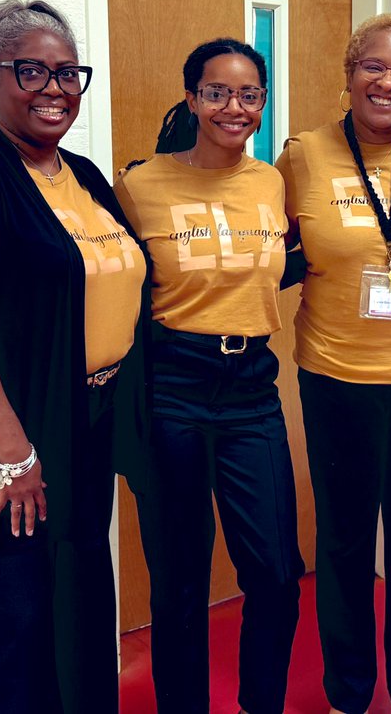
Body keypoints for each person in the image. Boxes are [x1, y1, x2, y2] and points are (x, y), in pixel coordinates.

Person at [0, 0, 150, 714]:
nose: (54, 88)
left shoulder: (85, 176)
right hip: (5, 436)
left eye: (68, 73)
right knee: (23, 617)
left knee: (78, 601)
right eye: (31, 71)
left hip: (83, 420)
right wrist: (14, 455)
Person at [275, 13, 391, 714]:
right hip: (338, 379)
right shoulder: (304, 155)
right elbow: (272, 248)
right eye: (374, 67)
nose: (388, 82)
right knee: (346, 542)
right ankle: (348, 693)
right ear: (350, 74)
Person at [114, 38, 303, 714]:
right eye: (217, 92)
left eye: (248, 95)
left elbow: (285, 262)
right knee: (180, 583)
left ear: (262, 103)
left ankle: (261, 705)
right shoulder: (140, 185)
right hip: (174, 389)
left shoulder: (270, 182)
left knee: (277, 575)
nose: (234, 107)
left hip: (252, 388)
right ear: (192, 98)